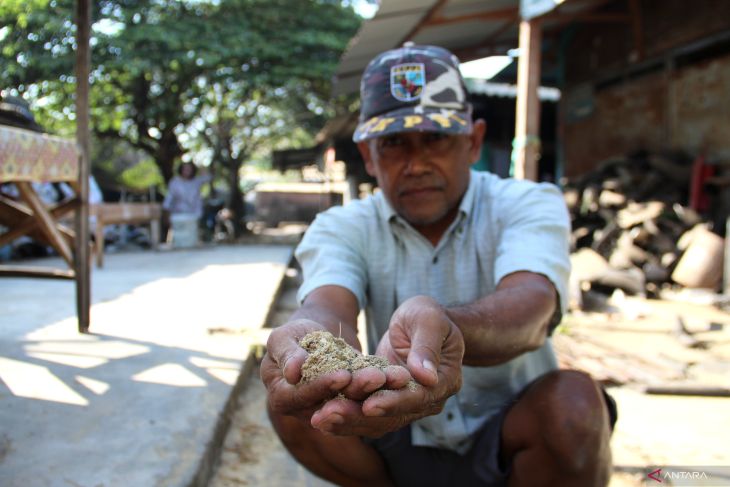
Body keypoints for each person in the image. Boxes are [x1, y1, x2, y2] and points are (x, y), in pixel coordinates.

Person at [261, 44, 616, 487]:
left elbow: (533, 306)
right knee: (294, 400)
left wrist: (452, 328)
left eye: (435, 138)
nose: (417, 164)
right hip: (388, 434)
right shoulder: (341, 226)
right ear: (368, 156)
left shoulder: (525, 203)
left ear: (473, 141)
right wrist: (309, 342)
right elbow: (327, 305)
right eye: (393, 144)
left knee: (575, 403)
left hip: (507, 434)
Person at [162, 162, 211, 242]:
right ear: (181, 170)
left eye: (189, 169)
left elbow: (208, 178)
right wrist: (166, 212)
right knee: (179, 235)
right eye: (185, 169)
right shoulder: (175, 182)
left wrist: (202, 167)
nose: (187, 171)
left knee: (194, 233)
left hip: (195, 213)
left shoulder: (196, 181)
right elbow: (168, 199)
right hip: (178, 213)